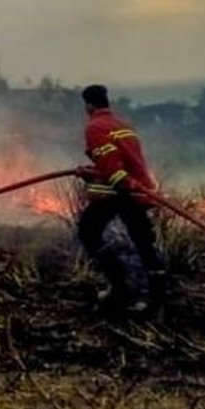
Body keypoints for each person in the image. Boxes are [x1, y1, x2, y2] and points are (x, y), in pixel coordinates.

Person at [74, 84, 166, 312]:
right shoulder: (122, 124)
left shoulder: (95, 127)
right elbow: (120, 161)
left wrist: (124, 186)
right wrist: (91, 171)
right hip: (134, 189)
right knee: (143, 241)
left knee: (88, 231)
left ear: (89, 105)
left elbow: (112, 166)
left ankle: (120, 287)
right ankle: (157, 297)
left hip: (120, 191)